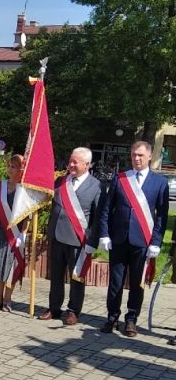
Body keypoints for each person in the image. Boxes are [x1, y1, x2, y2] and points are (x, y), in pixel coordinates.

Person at [98, 140, 169, 337]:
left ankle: (131, 319)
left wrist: (156, 242)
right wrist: (104, 233)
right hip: (119, 240)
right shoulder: (120, 179)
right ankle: (112, 317)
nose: (136, 159)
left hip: (143, 241)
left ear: (149, 157)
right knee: (115, 282)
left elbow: (162, 216)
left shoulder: (160, 182)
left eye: (140, 155)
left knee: (137, 283)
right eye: (133, 155)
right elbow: (106, 209)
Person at [39, 148, 102, 324]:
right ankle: (54, 308)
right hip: (57, 236)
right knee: (56, 276)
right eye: (71, 161)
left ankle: (73, 311)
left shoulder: (96, 186)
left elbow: (97, 218)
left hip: (78, 240)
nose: (71, 164)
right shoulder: (60, 181)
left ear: (87, 165)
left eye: (76, 162)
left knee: (77, 277)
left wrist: (93, 241)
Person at [0, 155, 29, 311]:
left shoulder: (25, 189)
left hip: (14, 234)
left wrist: (23, 234)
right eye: (9, 165)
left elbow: (27, 215)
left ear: (21, 169)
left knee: (11, 266)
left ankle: (8, 300)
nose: (10, 169)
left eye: (14, 166)